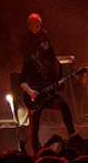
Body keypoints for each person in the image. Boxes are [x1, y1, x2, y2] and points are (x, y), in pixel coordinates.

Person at [18, 13, 75, 152]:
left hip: (48, 96)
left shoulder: (55, 65)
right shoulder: (29, 58)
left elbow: (59, 84)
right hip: (35, 95)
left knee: (63, 106)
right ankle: (36, 152)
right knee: (34, 123)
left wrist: (61, 83)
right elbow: (22, 81)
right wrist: (31, 91)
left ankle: (73, 135)